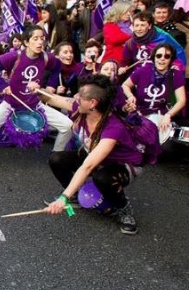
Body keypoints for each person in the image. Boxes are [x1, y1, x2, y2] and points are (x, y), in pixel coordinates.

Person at [41, 74, 144, 235]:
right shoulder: (84, 109)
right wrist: (32, 90)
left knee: (102, 178)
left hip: (122, 166)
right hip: (94, 156)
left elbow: (88, 166)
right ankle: (75, 195)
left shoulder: (113, 128)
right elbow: (53, 99)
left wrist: (63, 198)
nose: (76, 98)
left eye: (80, 96)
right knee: (57, 159)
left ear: (93, 103)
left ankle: (124, 209)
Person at [0, 25, 73, 169]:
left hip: (34, 104)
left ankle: (55, 156)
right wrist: (3, 86)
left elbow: (57, 66)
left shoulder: (46, 57)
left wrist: (51, 86)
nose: (40, 42)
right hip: (11, 104)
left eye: (42, 39)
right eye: (35, 39)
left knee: (68, 126)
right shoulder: (14, 57)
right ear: (26, 42)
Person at [122, 43, 187, 138]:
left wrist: (168, 115)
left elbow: (181, 100)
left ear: (171, 60)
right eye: (159, 55)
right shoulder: (142, 71)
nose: (162, 58)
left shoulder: (175, 74)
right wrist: (130, 96)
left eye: (167, 56)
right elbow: (125, 85)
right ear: (154, 57)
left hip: (160, 114)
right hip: (139, 112)